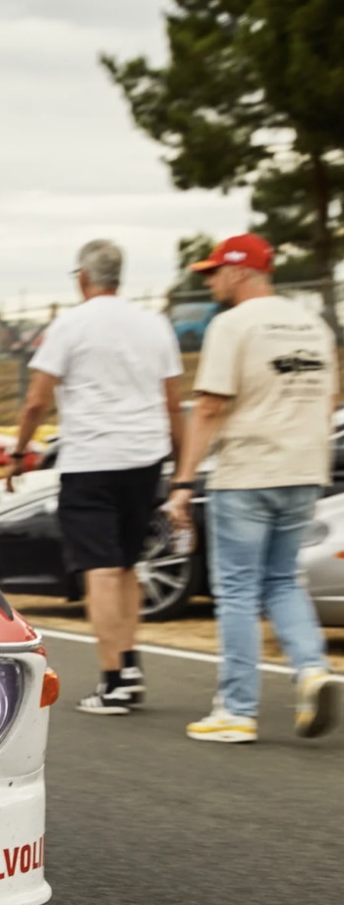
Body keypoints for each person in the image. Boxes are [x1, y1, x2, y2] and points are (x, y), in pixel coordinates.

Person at [165, 233, 343, 743]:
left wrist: (183, 481)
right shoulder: (312, 323)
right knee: (283, 580)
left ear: (241, 271)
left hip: (247, 471)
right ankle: (311, 669)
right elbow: (331, 398)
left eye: (216, 271)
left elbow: (210, 406)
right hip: (304, 468)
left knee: (238, 590)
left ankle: (237, 710)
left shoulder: (232, 324)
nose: (211, 281)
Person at [8, 239, 183, 714]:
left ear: (83, 277)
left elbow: (36, 401)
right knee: (127, 566)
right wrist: (180, 466)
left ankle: (114, 680)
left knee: (101, 571)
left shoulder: (70, 324)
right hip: (145, 459)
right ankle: (129, 664)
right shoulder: (154, 324)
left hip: (92, 460)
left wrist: (18, 450)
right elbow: (172, 401)